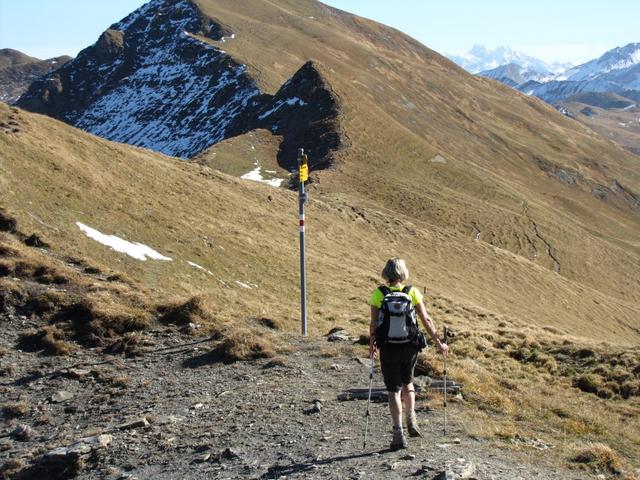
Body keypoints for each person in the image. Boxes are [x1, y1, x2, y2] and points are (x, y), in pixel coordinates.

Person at [369, 257, 449, 450]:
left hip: (388, 346)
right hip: (409, 346)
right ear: (403, 272)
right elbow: (426, 319)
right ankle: (411, 418)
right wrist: (439, 342)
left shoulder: (378, 294)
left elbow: (373, 323)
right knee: (408, 382)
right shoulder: (412, 292)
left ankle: (398, 433)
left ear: (386, 273)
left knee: (393, 390)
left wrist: (372, 345)